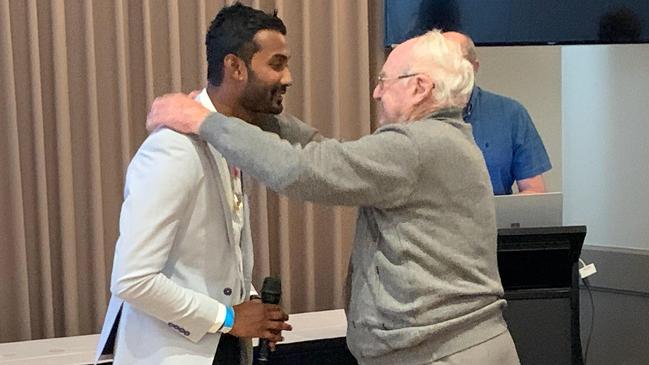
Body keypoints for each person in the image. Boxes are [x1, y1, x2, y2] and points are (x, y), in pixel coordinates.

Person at [146, 29, 520, 365]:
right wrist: (257, 117)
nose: (376, 92)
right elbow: (327, 153)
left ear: (420, 87)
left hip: (439, 354)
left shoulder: (417, 146)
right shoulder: (444, 140)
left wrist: (204, 121)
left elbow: (304, 170)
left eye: (384, 81)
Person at [93, 4, 312, 364]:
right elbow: (132, 280)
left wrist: (252, 302)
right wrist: (228, 318)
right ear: (235, 67)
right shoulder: (172, 149)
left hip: (221, 347)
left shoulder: (232, 138)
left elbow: (211, 259)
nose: (287, 77)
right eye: (277, 64)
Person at [443, 31, 552, 195]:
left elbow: (534, 190)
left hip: (495, 218)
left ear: (475, 67)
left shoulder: (510, 114)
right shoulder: (415, 115)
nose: (449, 72)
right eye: (441, 65)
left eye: (456, 63)